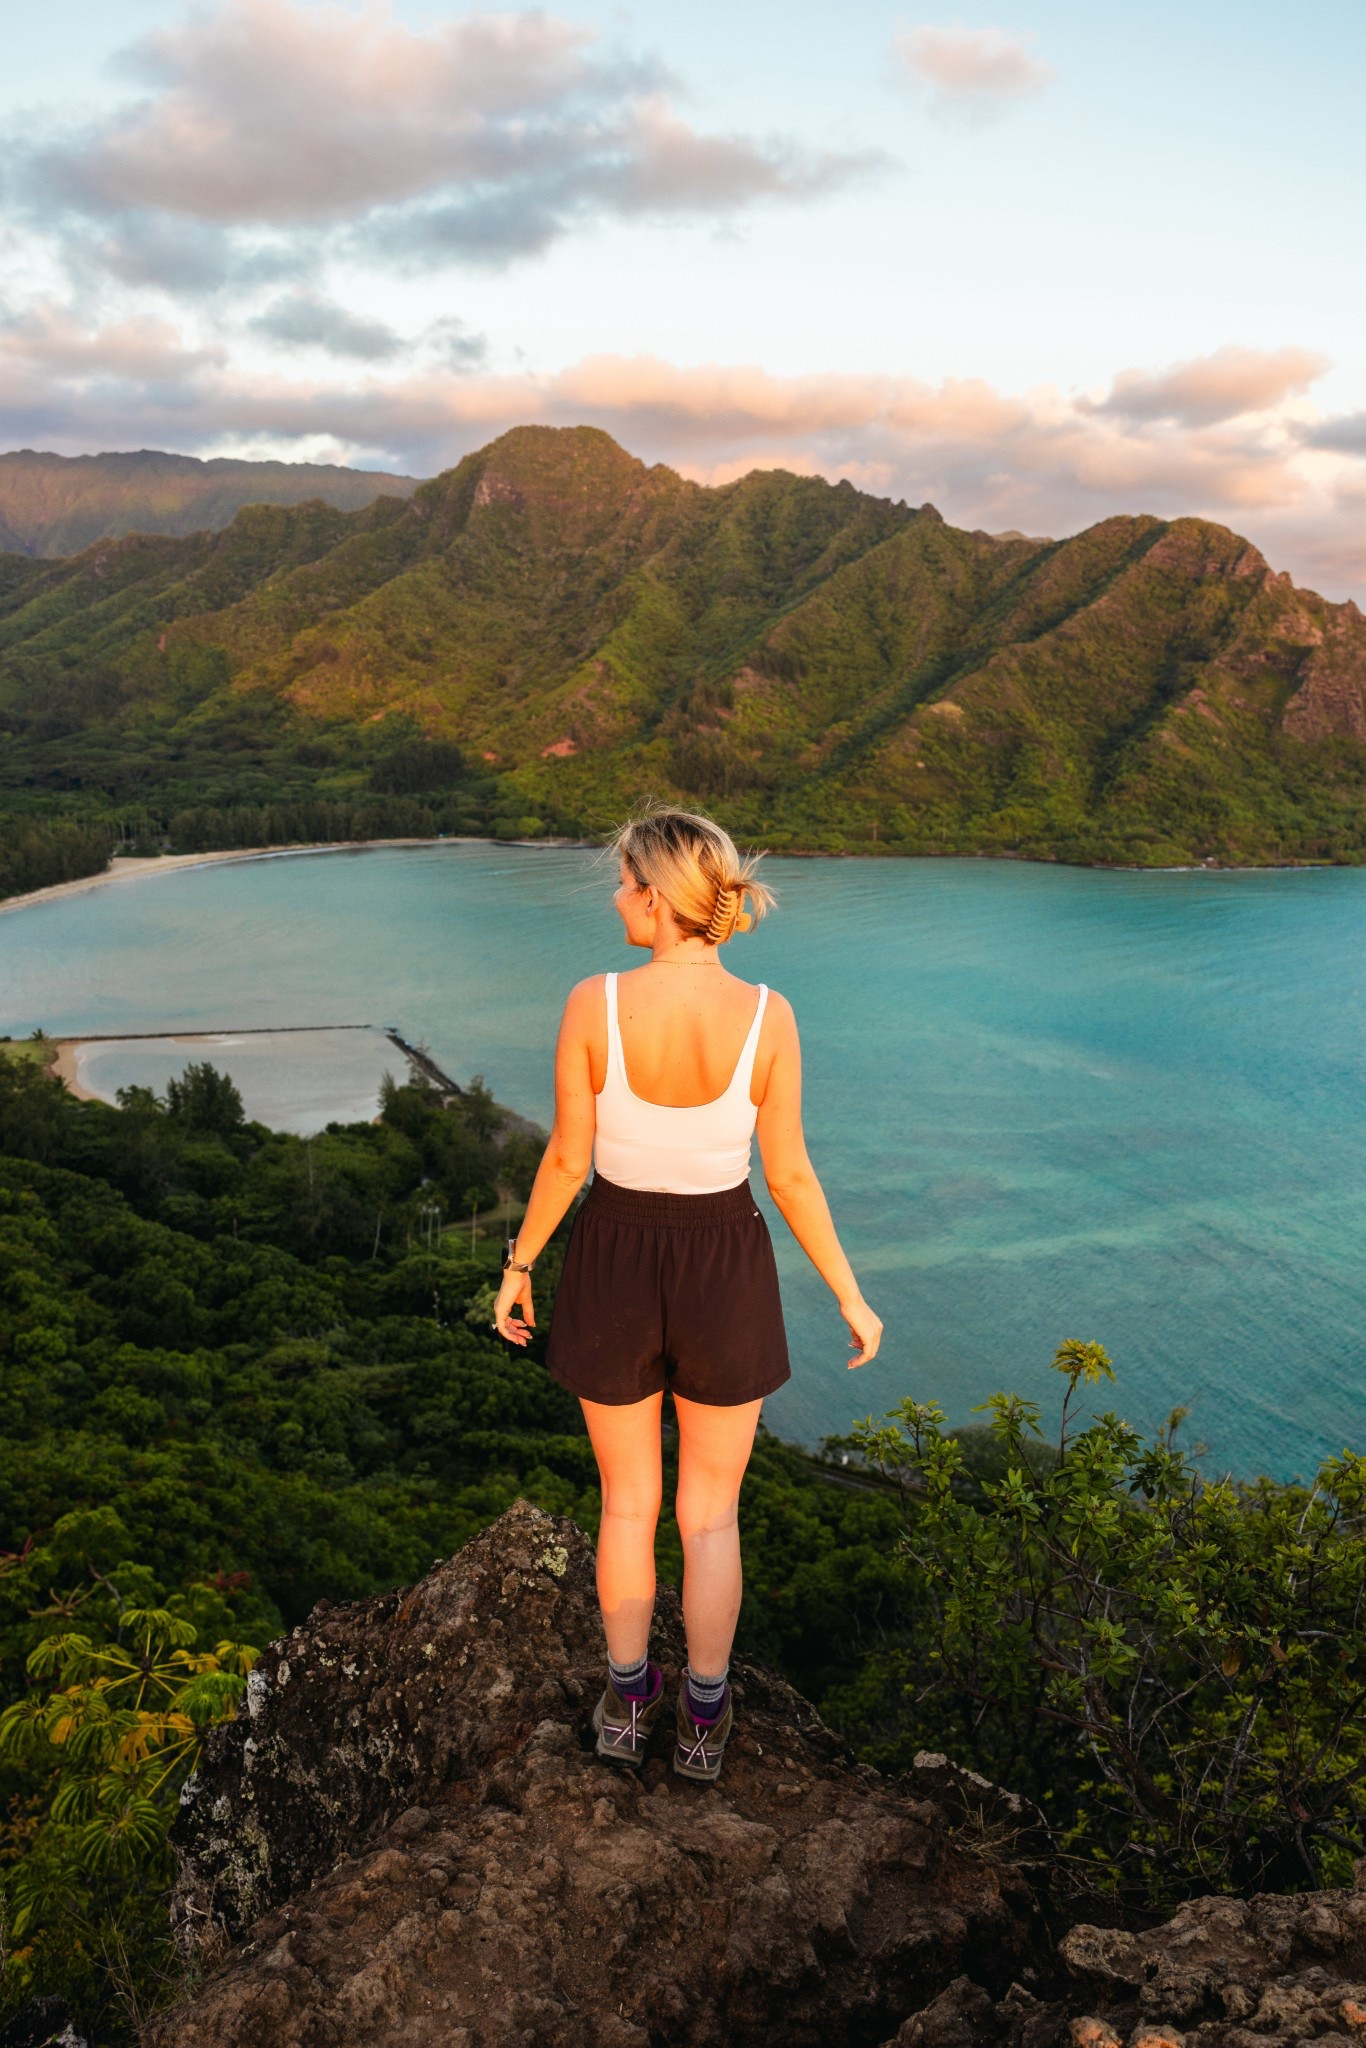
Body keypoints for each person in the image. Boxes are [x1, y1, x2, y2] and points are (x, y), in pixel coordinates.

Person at [493, 806, 882, 1782]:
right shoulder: (769, 1015)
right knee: (709, 1516)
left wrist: (518, 1265)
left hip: (615, 1257)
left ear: (657, 897)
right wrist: (849, 1292)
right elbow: (789, 1174)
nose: (617, 897)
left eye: (625, 882)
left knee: (627, 1505)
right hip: (726, 1264)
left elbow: (569, 1157)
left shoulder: (596, 1002)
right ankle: (704, 1718)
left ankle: (629, 1702)